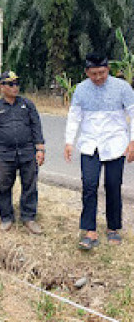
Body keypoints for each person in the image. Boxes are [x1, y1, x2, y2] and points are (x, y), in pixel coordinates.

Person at [64, 52, 134, 250]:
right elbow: (74, 116)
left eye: (102, 73)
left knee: (113, 186)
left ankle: (113, 228)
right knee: (89, 185)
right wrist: (69, 142)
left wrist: (132, 141)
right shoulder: (81, 90)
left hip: (115, 144)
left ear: (108, 70)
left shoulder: (122, 88)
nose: (98, 78)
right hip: (90, 145)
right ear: (87, 72)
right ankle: (89, 230)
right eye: (93, 74)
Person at [0, 71, 45, 234]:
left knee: (30, 185)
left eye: (16, 83)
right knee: (4, 187)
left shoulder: (27, 104)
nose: (14, 87)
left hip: (27, 153)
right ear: (2, 87)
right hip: (5, 155)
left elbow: (36, 126)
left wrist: (40, 148)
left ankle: (28, 217)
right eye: (10, 84)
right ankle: (6, 218)